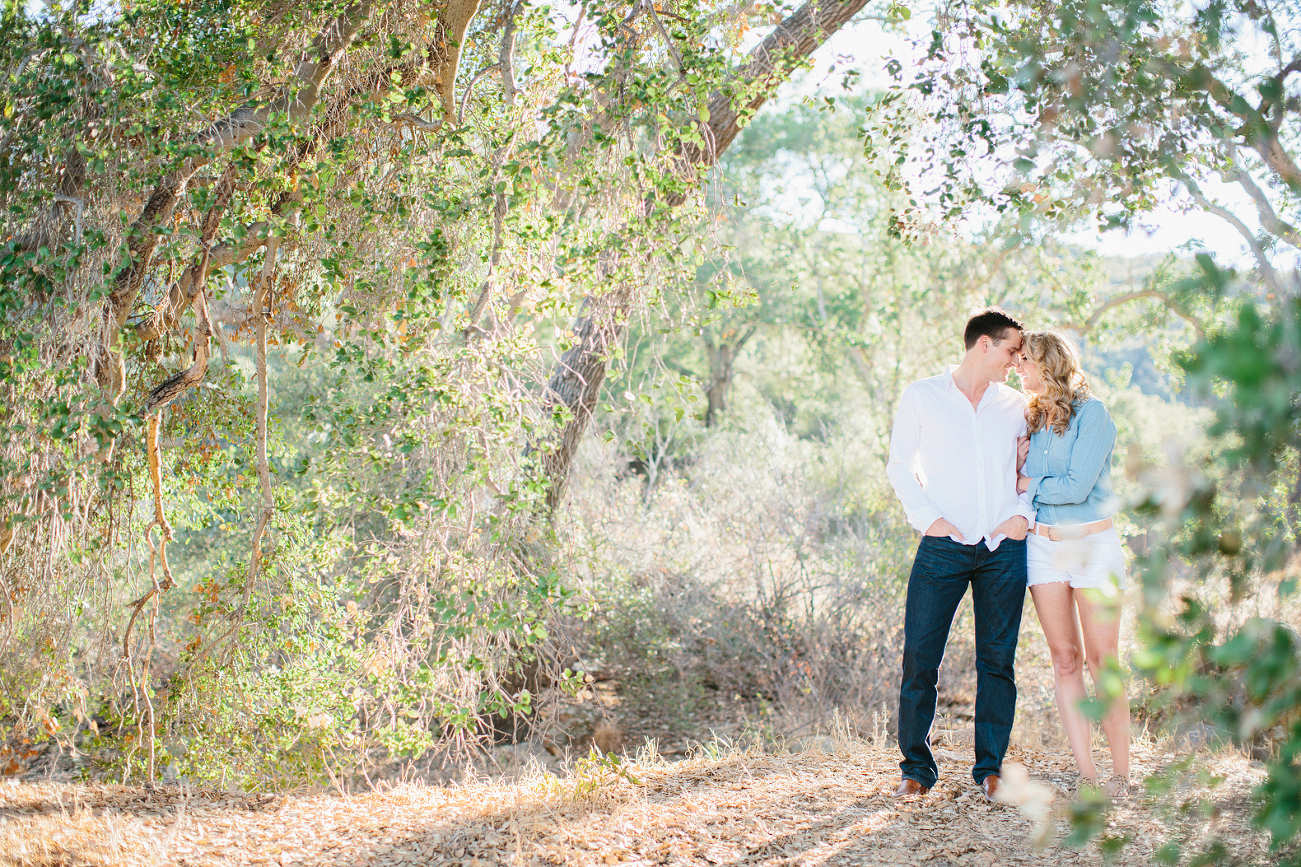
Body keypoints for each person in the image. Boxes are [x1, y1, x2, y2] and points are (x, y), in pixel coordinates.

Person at [886, 308, 1034, 802]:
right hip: (943, 547)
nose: (1017, 361)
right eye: (1013, 350)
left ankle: (989, 769)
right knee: (920, 659)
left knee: (997, 661)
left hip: (1002, 548)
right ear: (984, 346)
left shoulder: (1016, 405)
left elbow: (1034, 468)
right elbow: (900, 466)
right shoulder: (923, 395)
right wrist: (931, 521)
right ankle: (916, 770)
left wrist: (1022, 515)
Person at [1015, 330, 1131, 798]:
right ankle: (1087, 776)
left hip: (1092, 546)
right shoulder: (1031, 416)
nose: (1017, 368)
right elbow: (1022, 480)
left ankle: (1121, 775)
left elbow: (1077, 487)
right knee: (1065, 660)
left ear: (1047, 362)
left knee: (1103, 661)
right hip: (1041, 548)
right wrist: (1026, 478)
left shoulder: (1093, 414)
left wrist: (1028, 482)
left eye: (1024, 360)